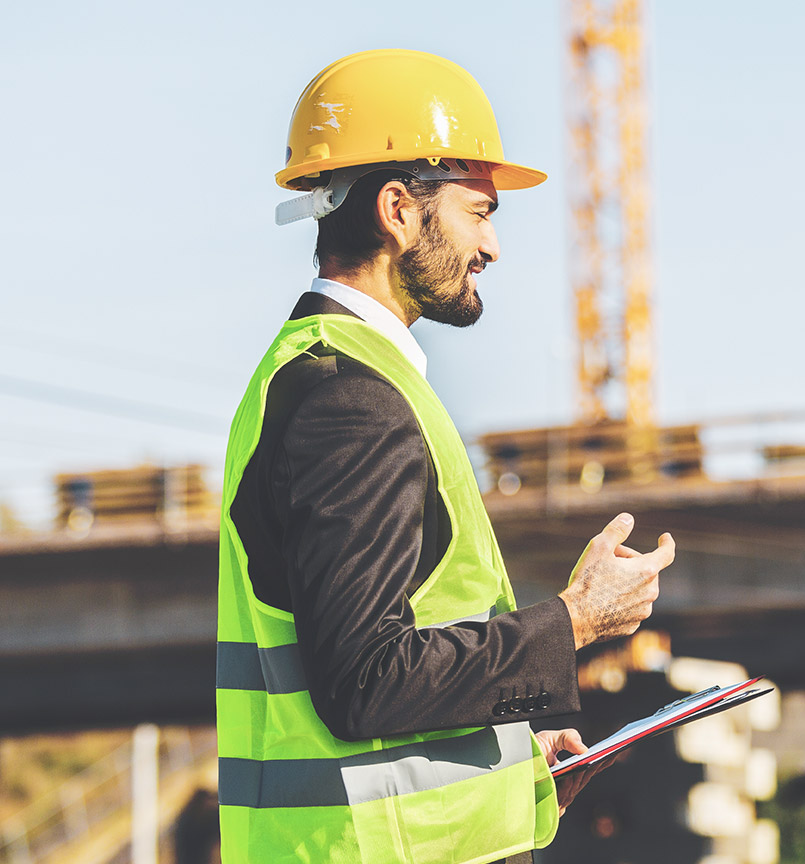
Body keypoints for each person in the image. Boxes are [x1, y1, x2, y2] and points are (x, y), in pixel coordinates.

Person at [215, 49, 675, 864]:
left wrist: (506, 761)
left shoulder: (327, 372)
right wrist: (573, 621)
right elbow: (367, 678)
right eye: (478, 212)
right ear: (398, 209)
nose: (493, 245)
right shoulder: (351, 400)